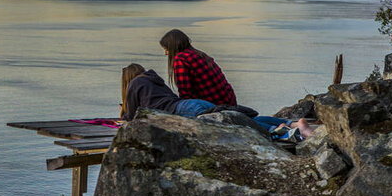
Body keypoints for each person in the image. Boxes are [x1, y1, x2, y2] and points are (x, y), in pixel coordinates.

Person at [121, 63, 316, 139]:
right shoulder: (152, 81)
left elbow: (131, 117)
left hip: (185, 111)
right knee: (239, 118)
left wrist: (123, 112)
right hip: (192, 103)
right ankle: (293, 123)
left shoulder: (135, 84)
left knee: (241, 123)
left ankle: (285, 131)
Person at [159, 29, 236, 106]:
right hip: (229, 99)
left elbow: (185, 91)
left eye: (167, 49)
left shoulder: (181, 59)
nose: (166, 53)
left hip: (213, 105)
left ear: (174, 47)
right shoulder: (199, 54)